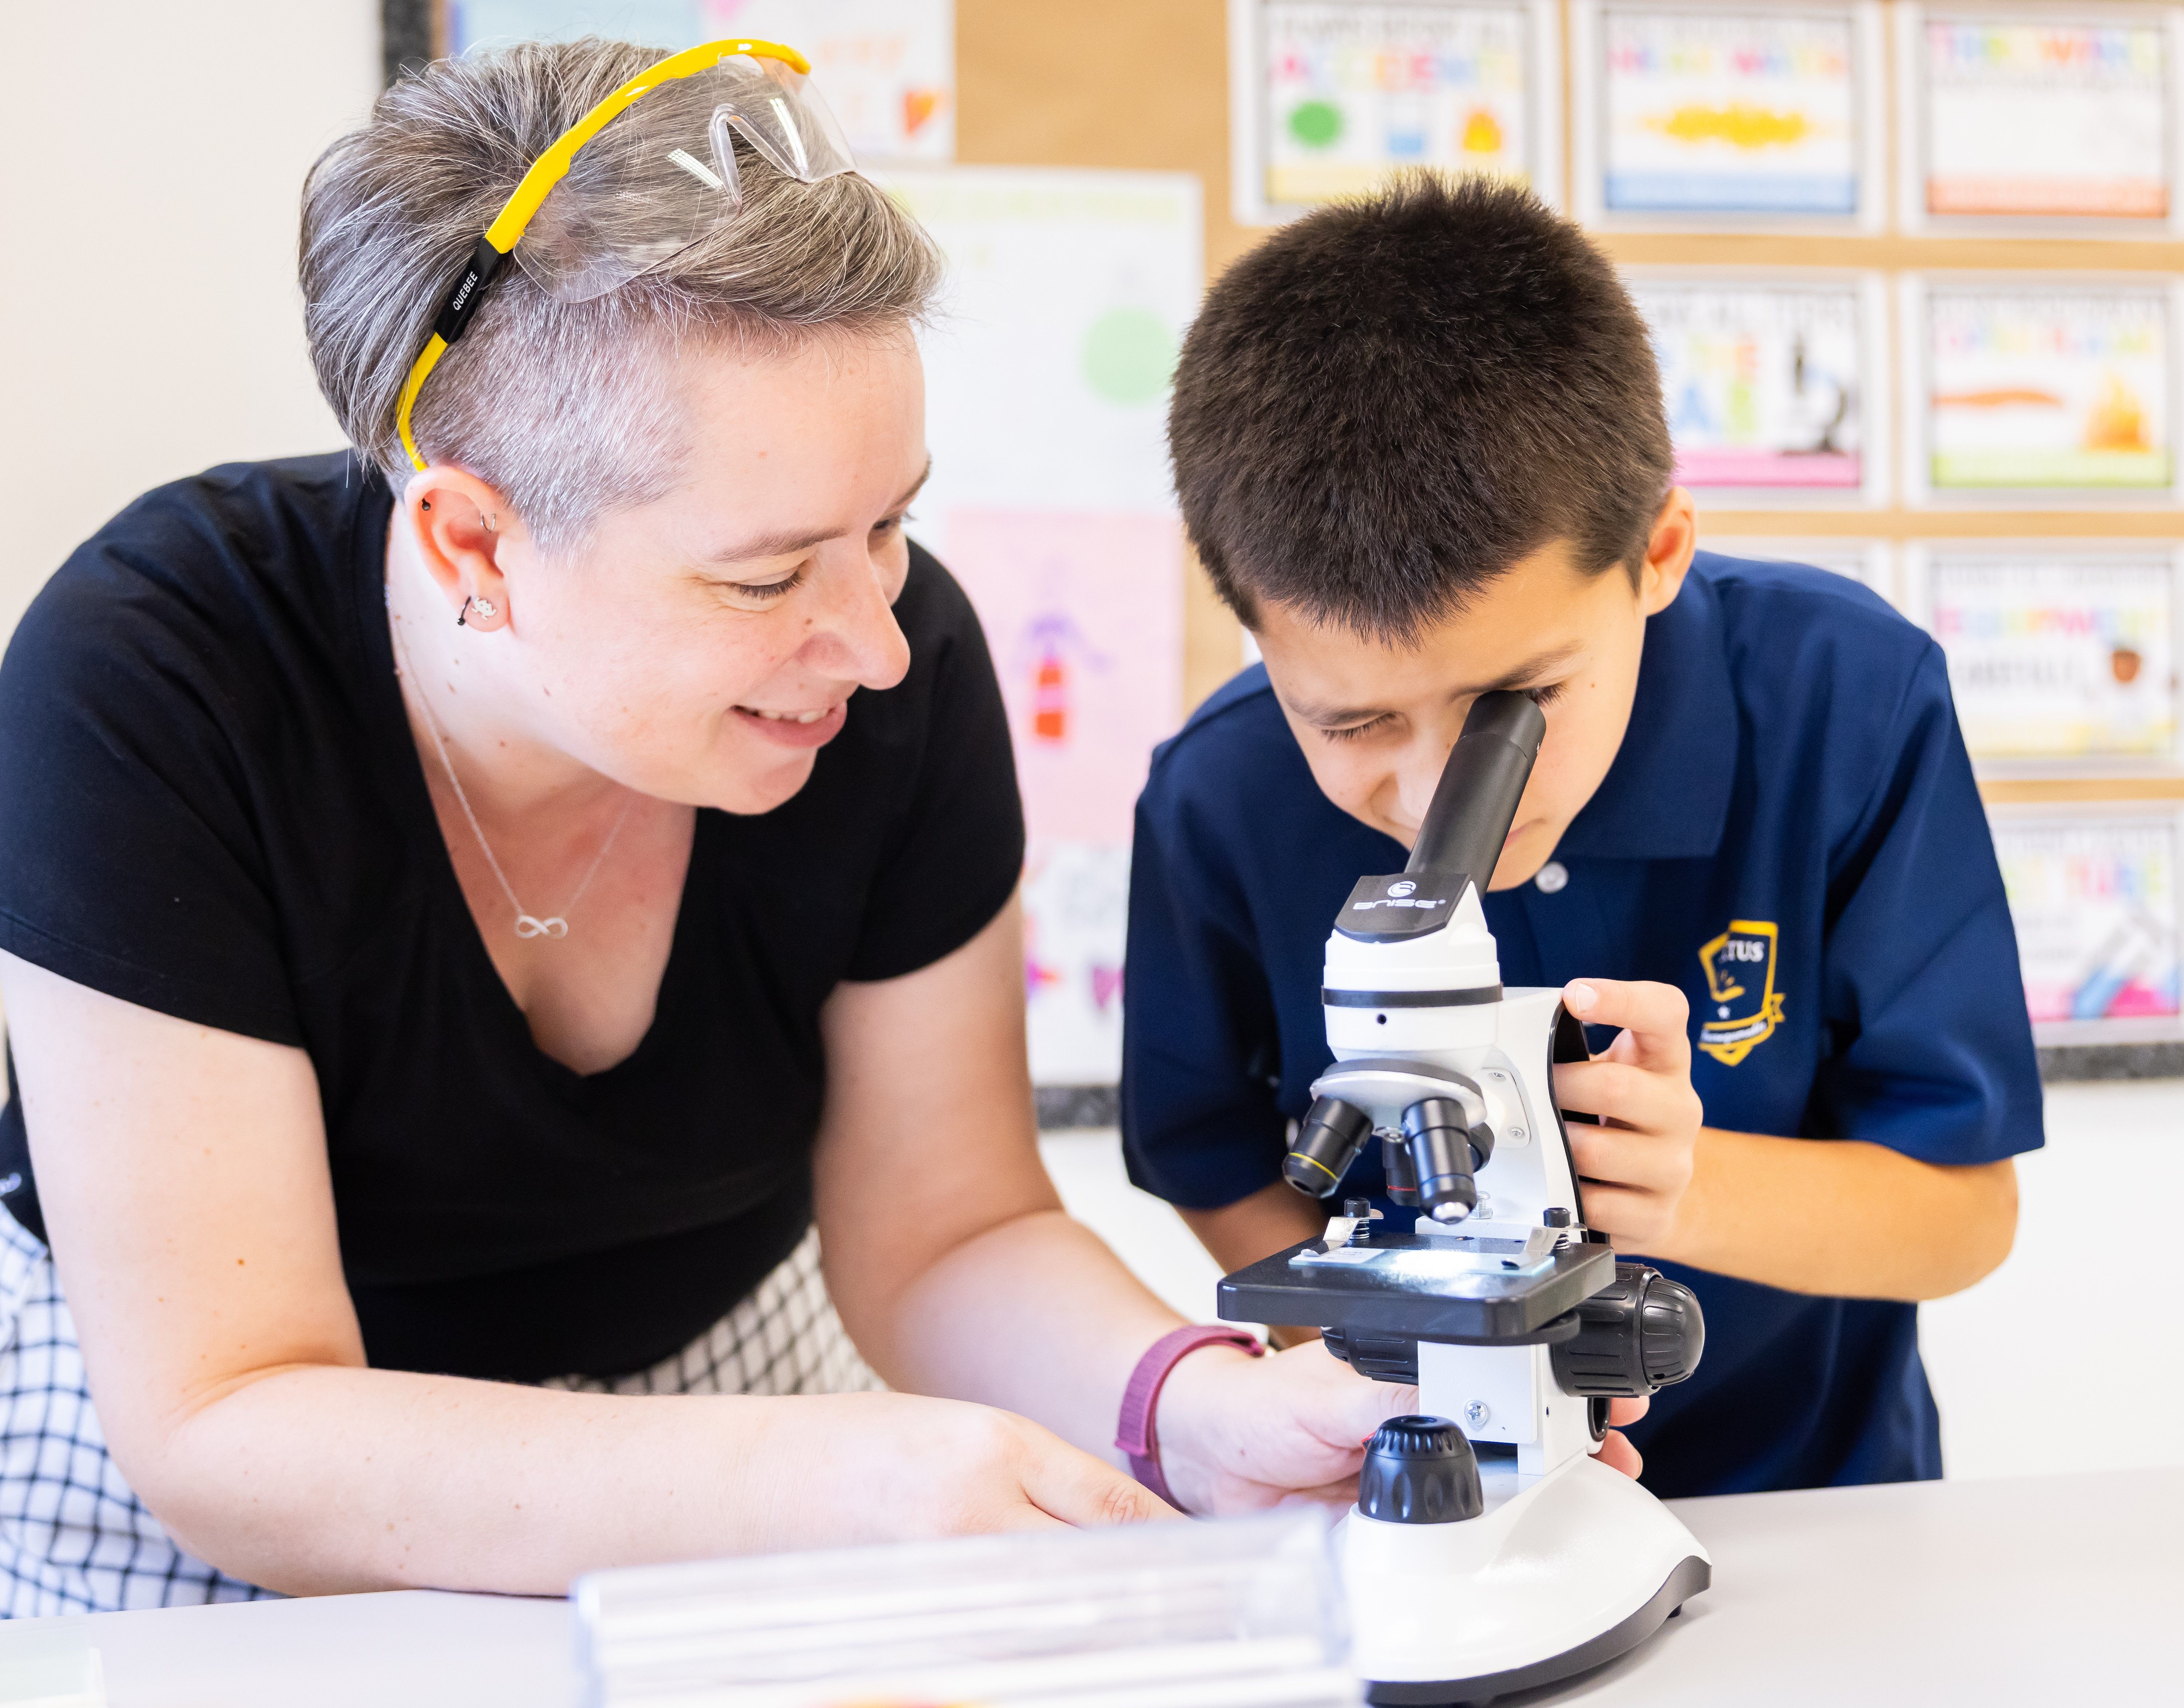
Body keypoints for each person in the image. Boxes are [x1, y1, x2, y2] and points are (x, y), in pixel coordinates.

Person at [0, 40, 1521, 1616]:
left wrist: (1194, 1413)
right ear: (471, 538)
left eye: (891, 525)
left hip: (717, 1379)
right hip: (216, 1459)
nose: (873, 643)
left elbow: (943, 1229)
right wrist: (834, 1482)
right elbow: (233, 1420)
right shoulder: (155, 680)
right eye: (764, 575)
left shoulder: (894, 660)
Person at [1122, 174, 2040, 1498]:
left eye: (1519, 706)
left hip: (1812, 1496)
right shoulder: (1221, 796)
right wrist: (1411, 1366)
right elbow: (1210, 1156)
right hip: (1436, 1483)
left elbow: (1963, 1216)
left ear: (1657, 551)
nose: (1440, 796)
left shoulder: (1844, 703)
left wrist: (1682, 1188)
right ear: (1257, 637)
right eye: (1354, 722)